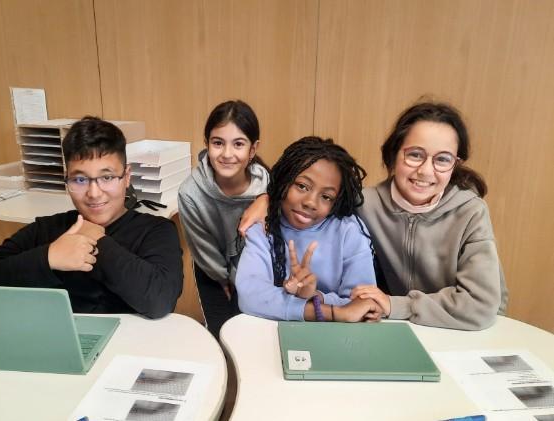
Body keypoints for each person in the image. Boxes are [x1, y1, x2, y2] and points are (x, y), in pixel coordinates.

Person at [240, 101, 508, 330]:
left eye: (443, 159)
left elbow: (481, 305)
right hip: (395, 326)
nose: (426, 171)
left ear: (456, 164)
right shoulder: (364, 205)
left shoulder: (471, 212)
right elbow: (313, 194)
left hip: (464, 328)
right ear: (393, 154)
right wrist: (268, 199)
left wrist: (394, 305)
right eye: (415, 155)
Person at [0, 116, 183, 319]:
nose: (94, 193)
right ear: (67, 180)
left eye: (107, 178)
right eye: (80, 180)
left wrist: (99, 243)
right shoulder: (46, 229)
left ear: (127, 177)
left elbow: (160, 301)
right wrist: (48, 257)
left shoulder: (156, 231)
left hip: (129, 346)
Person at [235, 136, 380, 322]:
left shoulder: (349, 231)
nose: (311, 202)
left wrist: (315, 296)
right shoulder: (264, 226)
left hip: (339, 333)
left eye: (326, 197)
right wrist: (331, 312)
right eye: (302, 186)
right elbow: (251, 296)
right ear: (284, 180)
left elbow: (363, 303)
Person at [177, 100, 269, 338]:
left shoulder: (267, 185)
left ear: (253, 149)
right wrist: (222, 279)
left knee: (253, 334)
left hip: (256, 272)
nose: (227, 154)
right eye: (218, 143)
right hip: (213, 271)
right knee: (222, 334)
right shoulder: (190, 193)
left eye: (238, 144)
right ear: (207, 144)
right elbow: (203, 247)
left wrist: (266, 197)